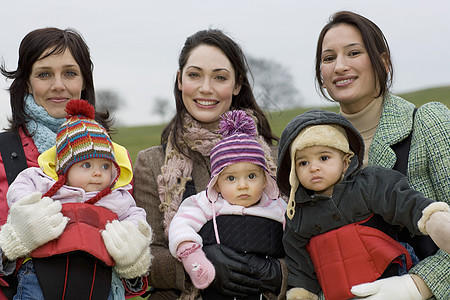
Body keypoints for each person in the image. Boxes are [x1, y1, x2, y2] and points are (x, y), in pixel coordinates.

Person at [133, 28, 286, 299]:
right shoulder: (152, 163)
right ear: (180, 80)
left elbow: (305, 242)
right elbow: (144, 255)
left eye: (220, 77)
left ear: (237, 85)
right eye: (194, 75)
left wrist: (275, 274)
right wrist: (200, 264)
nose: (206, 88)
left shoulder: (274, 159)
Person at [314, 11, 450, 299]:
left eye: (353, 52)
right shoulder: (314, 151)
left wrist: (414, 287)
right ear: (322, 77)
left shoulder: (428, 123)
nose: (339, 66)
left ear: (383, 62)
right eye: (328, 58)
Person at [276, 108, 450, 300]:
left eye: (324, 158)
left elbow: (400, 199)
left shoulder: (368, 184)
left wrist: (431, 218)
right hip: (338, 290)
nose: (314, 167)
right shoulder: (297, 213)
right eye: (303, 163)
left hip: (392, 275)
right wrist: (302, 291)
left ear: (345, 161)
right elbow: (298, 259)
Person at [0, 27, 113, 299]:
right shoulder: (2, 153)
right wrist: (8, 246)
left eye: (70, 73)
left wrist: (134, 262)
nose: (58, 85)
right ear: (27, 82)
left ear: (84, 80)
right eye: (44, 74)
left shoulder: (112, 157)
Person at [0, 99, 153, 300]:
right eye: (86, 165)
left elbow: (136, 217)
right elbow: (22, 185)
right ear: (64, 169)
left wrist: (134, 244)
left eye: (105, 166)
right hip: (41, 275)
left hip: (103, 278)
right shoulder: (48, 184)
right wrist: (27, 209)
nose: (98, 173)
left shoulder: (116, 196)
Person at [169, 110, 286, 300]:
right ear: (216, 183)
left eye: (252, 176)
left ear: (265, 180)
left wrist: (277, 271)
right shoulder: (207, 203)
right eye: (231, 178)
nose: (243, 185)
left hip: (261, 290)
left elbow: (297, 239)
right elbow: (182, 223)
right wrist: (191, 252)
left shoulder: (277, 207)